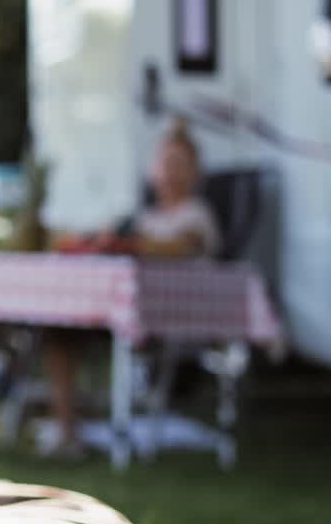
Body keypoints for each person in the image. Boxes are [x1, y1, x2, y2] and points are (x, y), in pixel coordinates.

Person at [41, 118, 221, 458]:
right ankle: (67, 433)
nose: (169, 173)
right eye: (165, 163)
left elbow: (180, 248)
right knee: (59, 331)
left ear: (194, 173)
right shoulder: (143, 216)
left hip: (170, 316)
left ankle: (95, 432)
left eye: (179, 165)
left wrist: (129, 243)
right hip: (121, 312)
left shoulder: (197, 214)